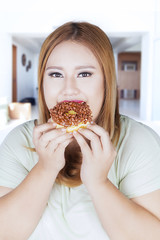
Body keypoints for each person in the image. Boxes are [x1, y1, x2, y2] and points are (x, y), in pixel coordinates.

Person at [0, 21, 160, 240]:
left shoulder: (140, 141)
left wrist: (99, 183)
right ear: (42, 82)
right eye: (56, 75)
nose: (69, 89)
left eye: (85, 74)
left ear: (107, 81)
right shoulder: (18, 141)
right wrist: (45, 169)